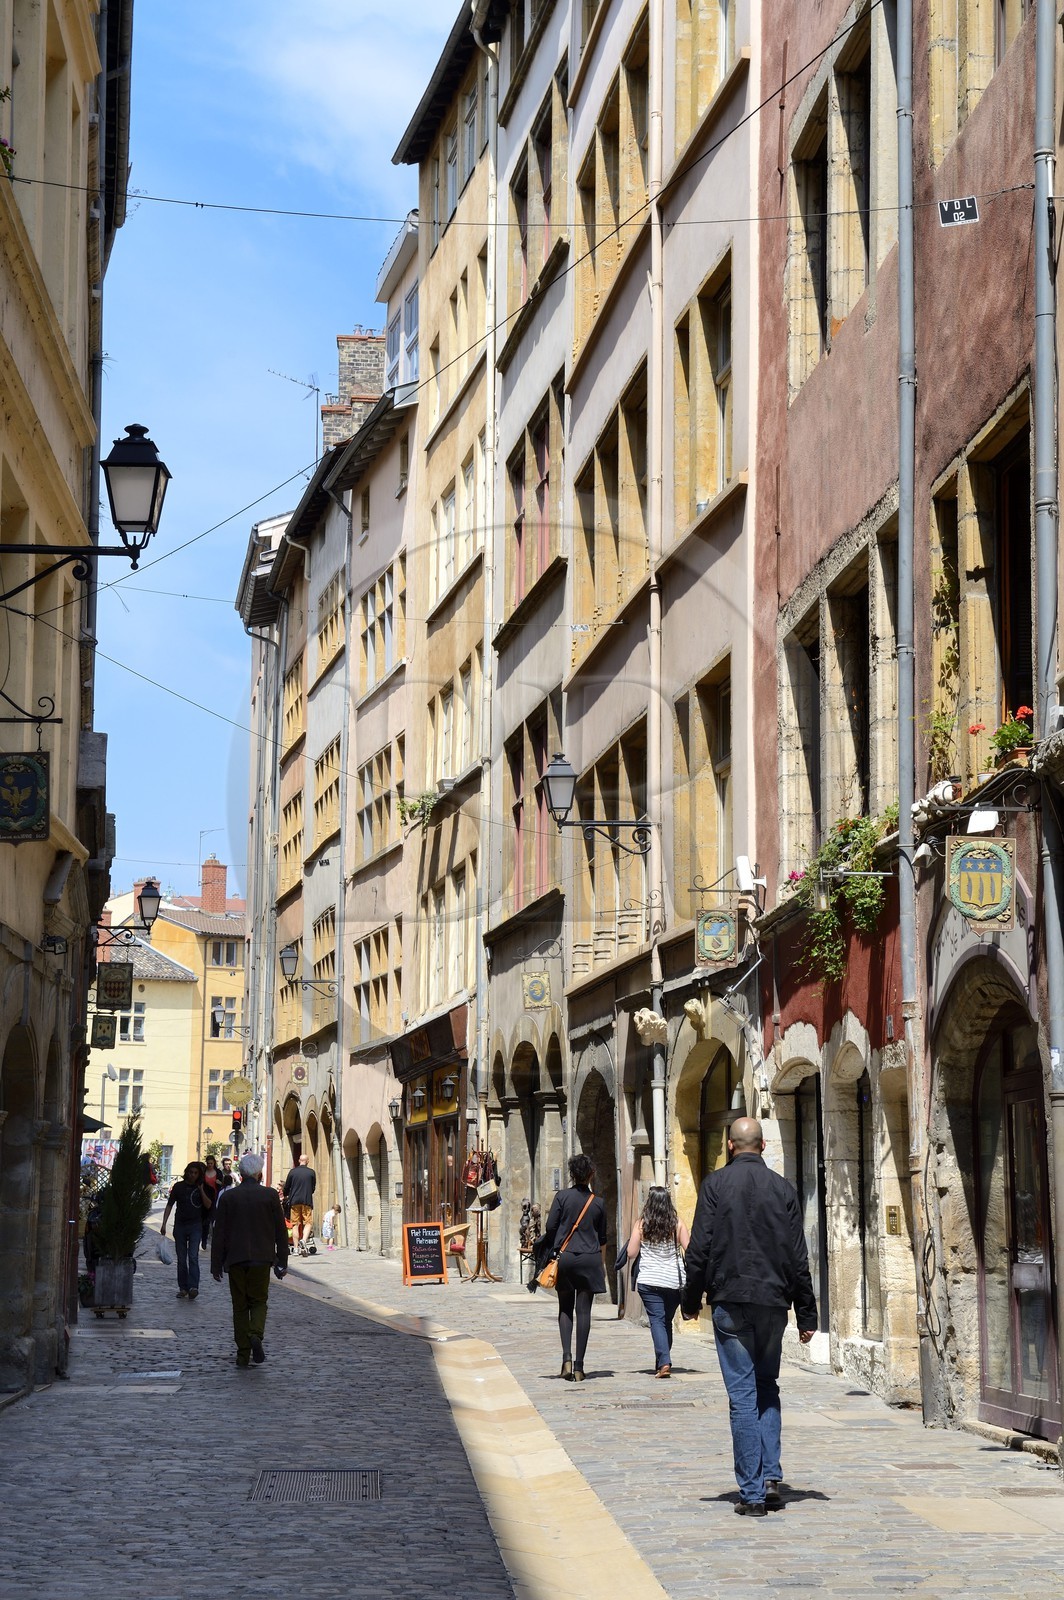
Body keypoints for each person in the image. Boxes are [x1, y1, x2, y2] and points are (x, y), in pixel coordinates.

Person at [681, 1117, 817, 1517]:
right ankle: (770, 1477)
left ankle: (753, 1493)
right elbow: (798, 1256)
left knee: (742, 1396)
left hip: (731, 1300)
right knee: (767, 1386)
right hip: (773, 1302)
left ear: (730, 1145)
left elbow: (699, 1249)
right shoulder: (783, 1189)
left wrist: (690, 1300)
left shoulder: (715, 1185)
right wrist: (807, 1313)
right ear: (762, 1145)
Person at [211, 1151, 290, 1367]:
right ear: (259, 1174)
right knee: (258, 1301)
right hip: (262, 1258)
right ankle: (255, 1333)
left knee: (239, 1306)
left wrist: (216, 1263)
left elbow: (219, 1233)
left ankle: (243, 1353)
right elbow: (280, 1231)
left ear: (242, 1174)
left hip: (235, 1259)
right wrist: (282, 1260)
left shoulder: (228, 1197)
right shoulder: (270, 1196)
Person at [541, 1153, 607, 1382]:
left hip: (566, 1257)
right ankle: (579, 1366)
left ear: (571, 1174)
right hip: (590, 1258)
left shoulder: (562, 1197)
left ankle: (566, 1359)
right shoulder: (598, 1203)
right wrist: (601, 1265)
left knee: (565, 1308)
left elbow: (550, 1226)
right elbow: (603, 1237)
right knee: (584, 1311)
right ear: (591, 1174)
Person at [625, 1185, 691, 1378]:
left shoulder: (642, 1224)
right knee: (665, 1321)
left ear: (650, 1203)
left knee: (657, 1321)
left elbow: (631, 1253)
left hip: (650, 1280)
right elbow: (690, 1249)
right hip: (673, 1282)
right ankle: (663, 1361)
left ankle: (663, 1362)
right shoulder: (677, 1224)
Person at [160, 1162, 213, 1299]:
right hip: (180, 1225)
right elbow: (169, 1205)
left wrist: (201, 1190)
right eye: (190, 1172)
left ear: (199, 1174)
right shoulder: (178, 1187)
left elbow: (208, 1205)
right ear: (186, 1172)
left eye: (195, 1173)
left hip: (196, 1225)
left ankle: (193, 1287)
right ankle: (183, 1288)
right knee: (182, 1258)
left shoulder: (202, 1187)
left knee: (193, 1256)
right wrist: (164, 1223)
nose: (192, 1175)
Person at [283, 1155, 316, 1257]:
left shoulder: (292, 1172)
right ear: (308, 1161)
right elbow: (313, 1188)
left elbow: (286, 1187)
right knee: (308, 1223)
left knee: (295, 1224)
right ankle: (304, 1240)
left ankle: (296, 1249)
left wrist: (286, 1195)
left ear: (299, 1160)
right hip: (306, 1200)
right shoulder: (311, 1172)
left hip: (294, 1201)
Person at [200, 1154, 222, 1250]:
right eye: (208, 1163)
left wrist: (219, 1183)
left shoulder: (218, 1172)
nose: (209, 1165)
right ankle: (204, 1240)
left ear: (214, 1163)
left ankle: (214, 1241)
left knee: (213, 1219)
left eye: (211, 1163)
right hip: (205, 1198)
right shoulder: (203, 1173)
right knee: (205, 1220)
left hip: (215, 1197)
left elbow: (222, 1184)